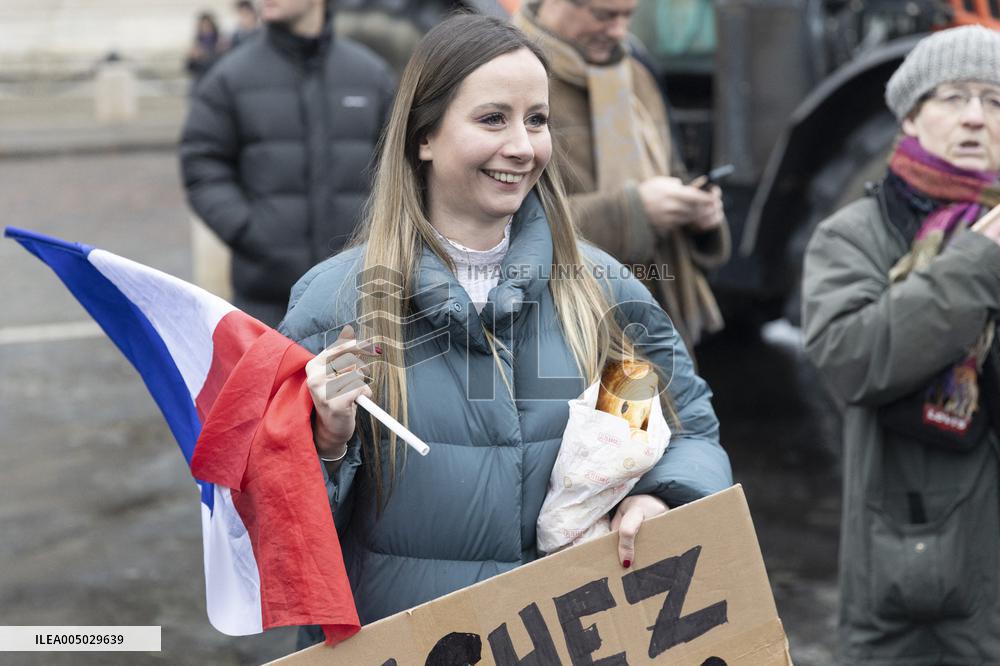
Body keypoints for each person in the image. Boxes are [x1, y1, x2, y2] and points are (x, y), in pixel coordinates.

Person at [279, 14, 732, 647]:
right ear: (424, 137)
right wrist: (328, 444)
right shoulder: (336, 305)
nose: (523, 146)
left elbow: (688, 429)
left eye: (537, 120)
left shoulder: (601, 290)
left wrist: (661, 498)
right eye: (493, 119)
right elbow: (281, 541)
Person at [801, 25, 1000, 664]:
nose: (976, 117)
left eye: (996, 101)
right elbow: (854, 359)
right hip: (915, 574)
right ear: (911, 116)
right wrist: (976, 263)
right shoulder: (853, 235)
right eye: (953, 97)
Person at [512, 0, 730, 352]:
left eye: (628, 15)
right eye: (604, 15)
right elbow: (502, 227)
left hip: (654, 329)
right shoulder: (509, 79)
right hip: (561, 333)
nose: (618, 31)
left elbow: (671, 171)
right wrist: (633, 213)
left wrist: (698, 214)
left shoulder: (637, 73)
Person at [179, 0, 395, 326]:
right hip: (267, 302)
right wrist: (250, 230)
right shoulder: (230, 77)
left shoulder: (371, 75)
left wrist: (377, 234)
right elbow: (202, 163)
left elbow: (400, 168)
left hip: (360, 298)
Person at [185, 11, 226, 85]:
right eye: (203, 26)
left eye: (208, 26)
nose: (205, 29)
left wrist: (206, 55)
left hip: (215, 81)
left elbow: (222, 65)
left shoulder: (220, 43)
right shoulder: (197, 44)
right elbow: (189, 68)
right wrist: (193, 58)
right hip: (200, 81)